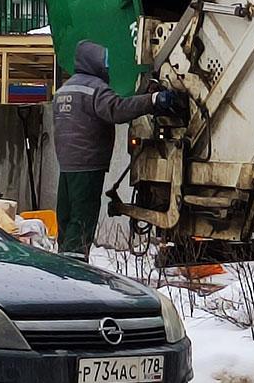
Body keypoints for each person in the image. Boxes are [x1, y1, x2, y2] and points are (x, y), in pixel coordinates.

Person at [53, 40, 177, 258]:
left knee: (66, 215)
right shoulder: (94, 88)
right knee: (83, 217)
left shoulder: (66, 88)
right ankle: (75, 266)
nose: (107, 66)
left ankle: (63, 261)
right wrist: (153, 100)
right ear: (93, 62)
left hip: (67, 163)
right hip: (88, 163)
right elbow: (117, 110)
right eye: (104, 61)